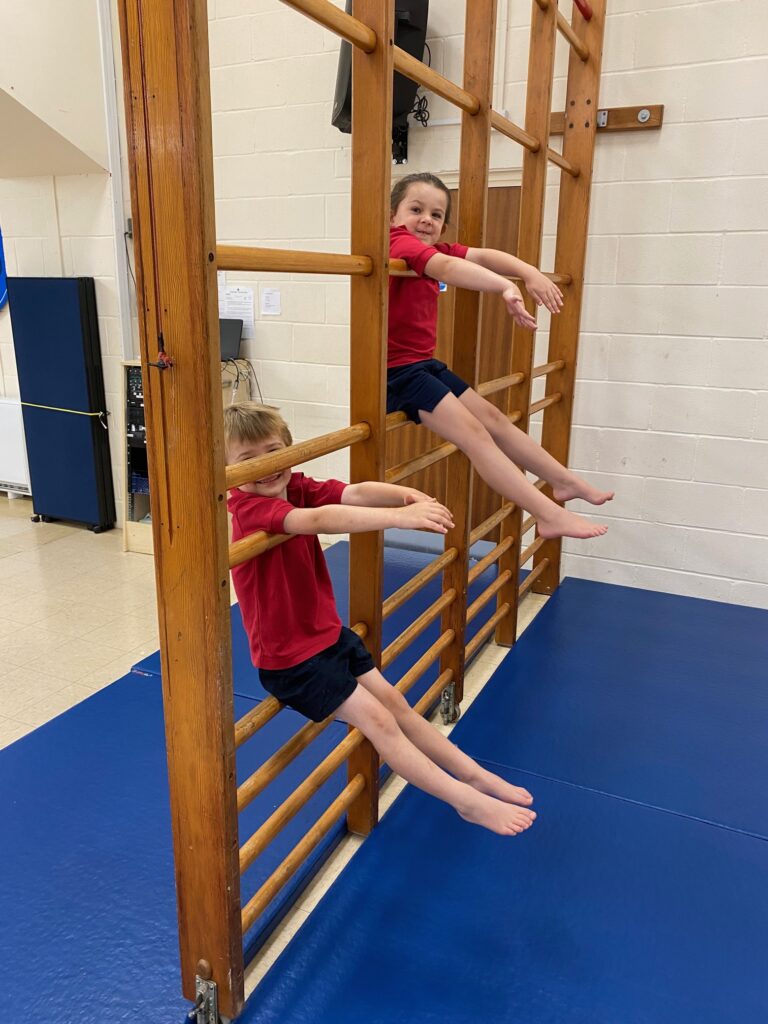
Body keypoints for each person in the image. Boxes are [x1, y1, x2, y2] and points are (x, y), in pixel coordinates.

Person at [225, 401, 536, 837]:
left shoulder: (293, 486)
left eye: (273, 452)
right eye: (247, 460)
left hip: (329, 637)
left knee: (398, 707)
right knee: (380, 721)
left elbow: (350, 492)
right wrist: (399, 518)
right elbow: (318, 519)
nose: (265, 467)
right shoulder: (248, 508)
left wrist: (401, 493)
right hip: (293, 663)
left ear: (289, 453)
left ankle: (474, 776)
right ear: (228, 473)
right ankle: (465, 803)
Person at [389, 171, 613, 540]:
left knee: (493, 417)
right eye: (416, 209)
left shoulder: (433, 248)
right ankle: (547, 513)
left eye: (437, 214)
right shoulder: (398, 243)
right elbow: (448, 270)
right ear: (393, 216)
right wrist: (505, 287)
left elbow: (482, 255)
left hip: (419, 364)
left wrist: (528, 273)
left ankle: (563, 481)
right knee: (476, 434)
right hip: (396, 374)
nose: (427, 219)